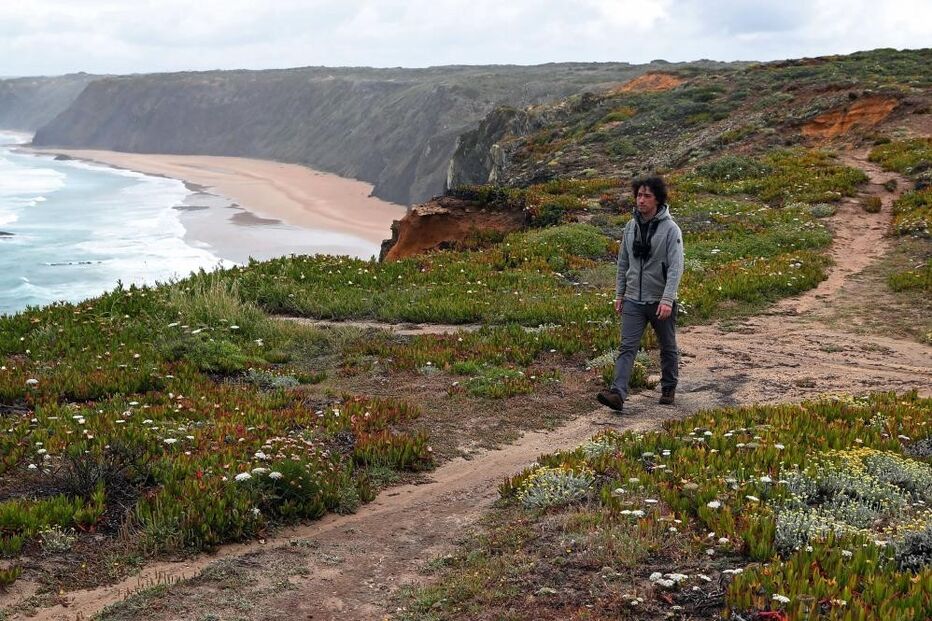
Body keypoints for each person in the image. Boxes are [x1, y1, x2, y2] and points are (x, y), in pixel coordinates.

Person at [597, 175, 684, 413]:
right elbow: (623, 262)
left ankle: (668, 387)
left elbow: (676, 267)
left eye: (647, 196)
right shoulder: (630, 226)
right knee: (627, 347)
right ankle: (617, 394)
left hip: (660, 301)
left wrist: (667, 299)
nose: (641, 200)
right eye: (639, 195)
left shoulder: (670, 229)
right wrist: (620, 294)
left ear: (657, 199)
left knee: (667, 346)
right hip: (634, 298)